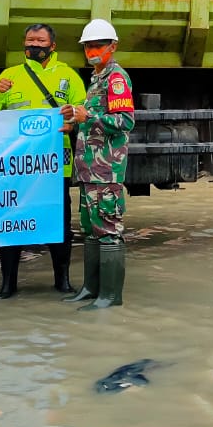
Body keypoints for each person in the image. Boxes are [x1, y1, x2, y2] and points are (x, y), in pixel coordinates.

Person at [0, 24, 86, 299]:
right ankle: (8, 284)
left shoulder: (69, 77)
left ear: (52, 46)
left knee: (59, 223)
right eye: (29, 40)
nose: (34, 45)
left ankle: (62, 280)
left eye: (40, 41)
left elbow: (84, 113)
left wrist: (72, 120)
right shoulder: (10, 75)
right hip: (16, 166)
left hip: (54, 165)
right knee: (11, 222)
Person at [63, 18, 135, 311]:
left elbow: (125, 121)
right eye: (88, 46)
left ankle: (110, 296)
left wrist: (87, 118)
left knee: (108, 229)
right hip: (89, 169)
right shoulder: (96, 79)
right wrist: (73, 122)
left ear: (112, 47)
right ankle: (91, 288)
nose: (92, 50)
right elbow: (91, 123)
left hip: (106, 169)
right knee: (91, 229)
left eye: (97, 45)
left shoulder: (116, 78)